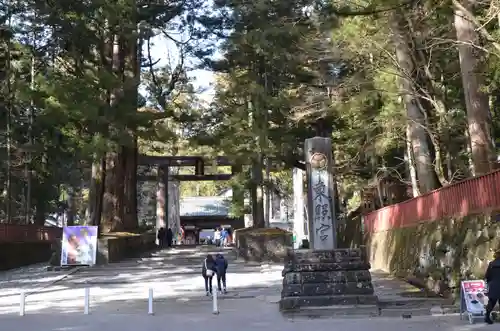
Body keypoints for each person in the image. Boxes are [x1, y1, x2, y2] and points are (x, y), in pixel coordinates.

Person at [485, 250, 500, 324]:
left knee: (491, 302)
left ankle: (487, 317)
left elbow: (487, 276)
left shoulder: (491, 264)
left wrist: (490, 283)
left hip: (493, 285)